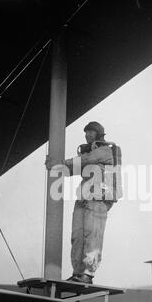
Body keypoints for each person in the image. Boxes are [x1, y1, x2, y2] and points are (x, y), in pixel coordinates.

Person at [46, 121, 121, 284]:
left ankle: (87, 273)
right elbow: (72, 169)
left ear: (99, 134)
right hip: (84, 198)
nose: (87, 135)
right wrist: (56, 167)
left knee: (92, 236)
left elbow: (86, 160)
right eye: (86, 132)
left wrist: (58, 164)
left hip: (98, 199)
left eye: (90, 132)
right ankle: (78, 272)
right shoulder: (91, 156)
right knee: (77, 237)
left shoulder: (105, 151)